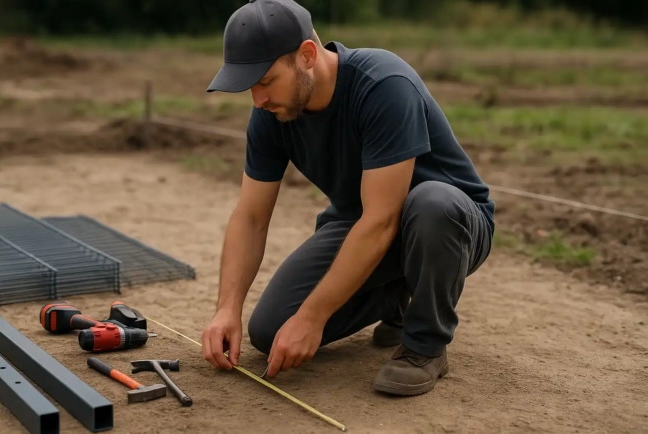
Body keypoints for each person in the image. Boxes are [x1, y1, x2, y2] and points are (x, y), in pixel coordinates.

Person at [200, 0, 495, 396]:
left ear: (306, 55)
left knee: (431, 204)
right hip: (361, 224)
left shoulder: (383, 84)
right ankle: (395, 295)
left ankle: (424, 346)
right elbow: (251, 216)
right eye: (248, 86)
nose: (258, 100)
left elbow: (382, 220)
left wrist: (313, 317)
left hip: (449, 225)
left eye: (266, 81)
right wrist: (227, 309)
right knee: (270, 330)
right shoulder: (271, 115)